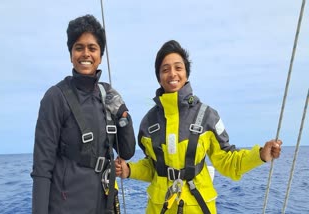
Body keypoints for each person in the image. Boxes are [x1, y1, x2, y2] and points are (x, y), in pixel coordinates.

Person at [115, 40, 282, 214]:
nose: (172, 74)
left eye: (178, 68)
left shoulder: (207, 116)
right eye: (165, 69)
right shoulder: (148, 122)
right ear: (159, 76)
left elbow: (228, 161)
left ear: (186, 73)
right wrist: (129, 170)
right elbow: (153, 168)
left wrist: (260, 155)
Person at [31, 14, 136, 214]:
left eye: (92, 48)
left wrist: (123, 115)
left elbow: (127, 151)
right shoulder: (55, 97)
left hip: (104, 203)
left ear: (100, 55)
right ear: (71, 53)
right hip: (67, 205)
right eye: (79, 47)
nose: (85, 54)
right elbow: (42, 167)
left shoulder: (108, 96)